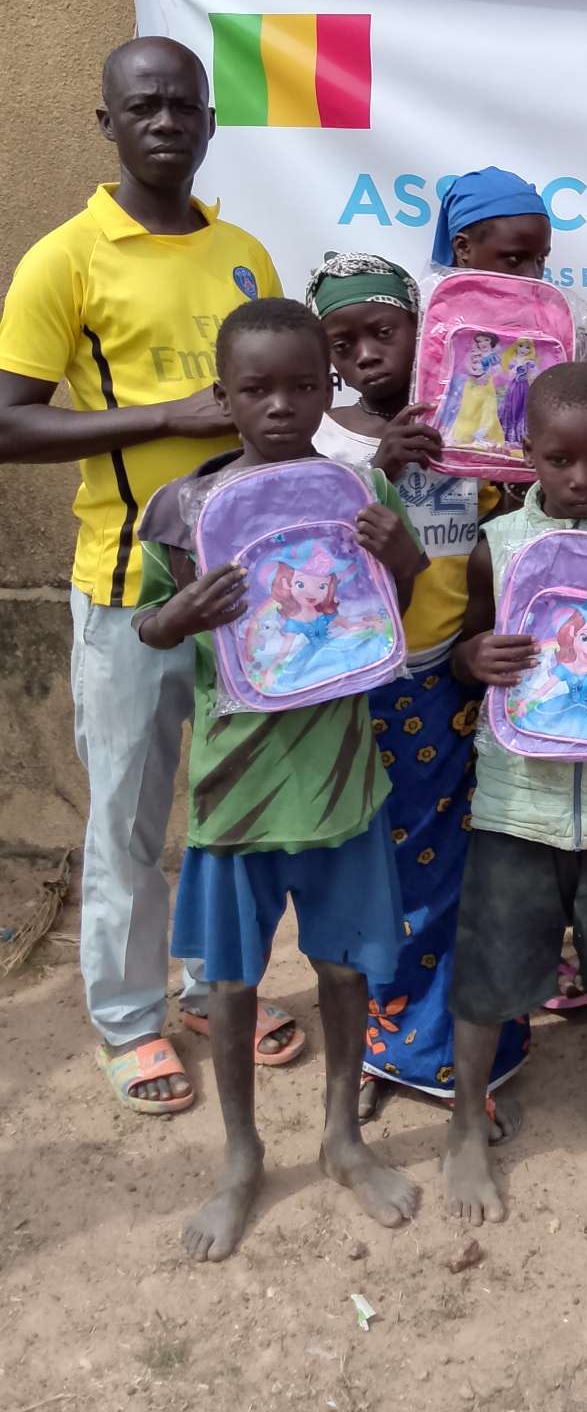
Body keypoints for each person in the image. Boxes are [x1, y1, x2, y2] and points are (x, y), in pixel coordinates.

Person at [0, 36, 299, 1116]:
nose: (166, 120)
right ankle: (130, 1018)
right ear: (108, 125)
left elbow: (282, 404)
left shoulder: (247, 256)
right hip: (129, 587)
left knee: (234, 807)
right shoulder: (64, 258)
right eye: (144, 105)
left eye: (184, 104)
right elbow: (8, 420)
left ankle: (217, 987)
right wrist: (168, 415)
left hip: (247, 592)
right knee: (129, 811)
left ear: (210, 123)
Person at [136, 297, 425, 1259]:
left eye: (303, 386)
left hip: (342, 775)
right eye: (255, 389)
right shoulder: (184, 507)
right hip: (236, 789)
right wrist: (180, 615)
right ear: (222, 395)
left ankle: (342, 1138)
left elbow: (391, 613)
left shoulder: (348, 493)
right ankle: (241, 1155)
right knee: (230, 982)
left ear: (327, 387)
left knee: (343, 966)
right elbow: (146, 625)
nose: (279, 406)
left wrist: (406, 556)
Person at [443, 363, 587, 1223]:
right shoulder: (497, 545)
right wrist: (475, 660)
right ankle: (468, 1123)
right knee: (491, 967)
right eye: (559, 459)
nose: (580, 479)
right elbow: (467, 649)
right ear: (526, 455)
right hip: (517, 799)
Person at [306, 253, 529, 1124]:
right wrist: (380, 473)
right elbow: (315, 566)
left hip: (448, 684)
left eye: (383, 331)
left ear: (421, 327)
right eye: (344, 340)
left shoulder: (473, 420)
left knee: (461, 879)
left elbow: (499, 542)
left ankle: (466, 1061)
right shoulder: (325, 440)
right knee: (369, 879)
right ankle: (376, 1049)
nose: (367, 354)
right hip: (357, 692)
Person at [432, 165, 553, 276]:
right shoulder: (422, 298)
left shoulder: (547, 300)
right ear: (463, 248)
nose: (533, 276)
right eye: (514, 259)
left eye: (540, 259)